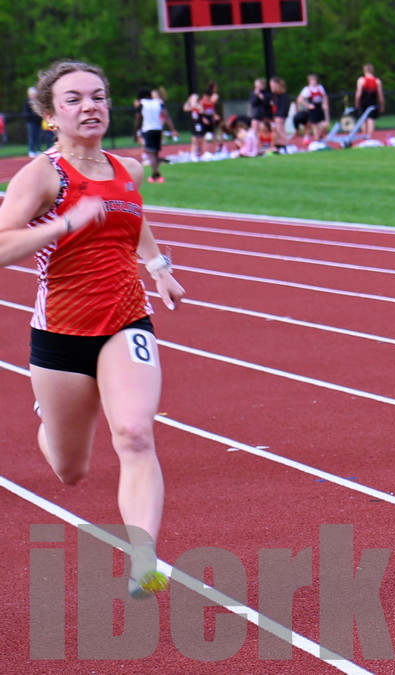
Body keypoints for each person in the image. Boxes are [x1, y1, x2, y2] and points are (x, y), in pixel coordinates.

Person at [0, 60, 186, 600]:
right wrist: (66, 222)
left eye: (99, 96)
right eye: (74, 99)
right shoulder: (41, 176)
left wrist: (158, 268)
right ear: (50, 114)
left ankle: (144, 558)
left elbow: (132, 215)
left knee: (134, 432)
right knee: (70, 468)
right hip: (61, 332)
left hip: (127, 320)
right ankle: (50, 417)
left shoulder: (127, 167)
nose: (90, 107)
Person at [133, 88, 178, 183]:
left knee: (150, 153)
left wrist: (136, 133)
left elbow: (138, 119)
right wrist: (173, 129)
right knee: (156, 153)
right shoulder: (158, 102)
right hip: (158, 130)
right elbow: (166, 116)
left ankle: (157, 174)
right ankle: (154, 175)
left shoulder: (141, 104)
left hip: (147, 130)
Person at [184, 81, 220, 159]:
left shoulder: (200, 104)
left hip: (200, 121)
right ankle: (195, 153)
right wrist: (189, 101)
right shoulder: (198, 104)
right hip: (196, 121)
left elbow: (202, 110)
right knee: (196, 137)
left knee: (202, 137)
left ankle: (205, 152)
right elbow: (186, 108)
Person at [297, 74, 330, 141]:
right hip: (313, 108)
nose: (314, 81)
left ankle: (318, 136)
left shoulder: (320, 87)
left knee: (325, 124)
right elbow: (299, 99)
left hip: (320, 107)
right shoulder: (307, 89)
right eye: (312, 80)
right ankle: (316, 138)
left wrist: (325, 103)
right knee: (314, 124)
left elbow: (325, 96)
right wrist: (308, 105)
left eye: (314, 80)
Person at [355, 64, 384, 137]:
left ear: (364, 70)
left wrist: (357, 103)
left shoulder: (361, 80)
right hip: (372, 102)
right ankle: (369, 136)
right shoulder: (377, 81)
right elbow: (380, 94)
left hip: (363, 102)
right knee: (371, 119)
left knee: (363, 119)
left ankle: (364, 136)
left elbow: (358, 93)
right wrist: (382, 104)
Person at [269, 77, 291, 153]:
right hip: (276, 115)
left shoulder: (283, 95)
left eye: (272, 85)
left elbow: (284, 107)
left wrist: (280, 116)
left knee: (280, 129)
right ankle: (282, 145)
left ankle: (287, 143)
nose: (271, 87)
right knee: (277, 130)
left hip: (280, 115)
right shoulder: (275, 95)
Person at [248, 78, 272, 146]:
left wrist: (260, 96)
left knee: (264, 129)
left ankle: (268, 143)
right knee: (255, 130)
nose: (257, 87)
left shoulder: (267, 93)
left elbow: (267, 103)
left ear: (262, 85)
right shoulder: (253, 93)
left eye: (258, 85)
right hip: (256, 114)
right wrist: (256, 95)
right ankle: (255, 144)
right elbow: (253, 102)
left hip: (265, 114)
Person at [25, 86, 47, 158]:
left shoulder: (38, 102)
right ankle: (31, 150)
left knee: (38, 136)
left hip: (38, 121)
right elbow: (26, 112)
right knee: (32, 136)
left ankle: (38, 150)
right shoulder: (27, 102)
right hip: (31, 122)